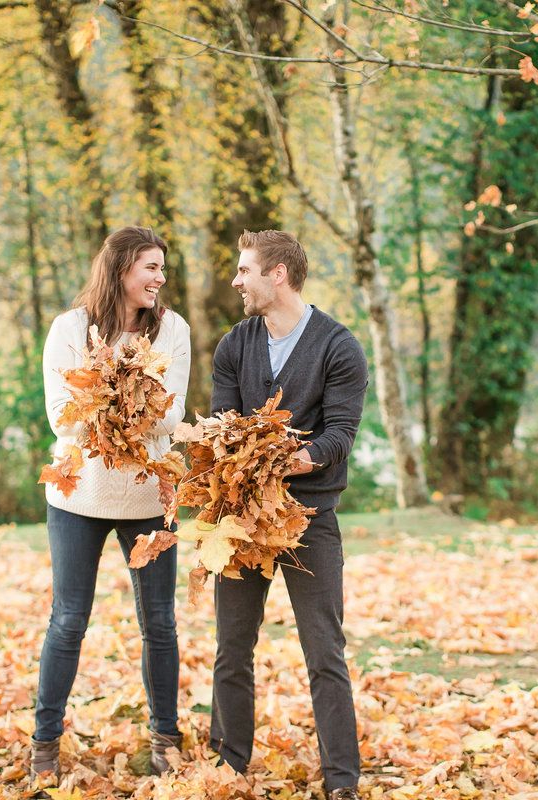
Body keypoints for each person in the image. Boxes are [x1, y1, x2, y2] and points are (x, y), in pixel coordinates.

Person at [209, 230, 367, 800]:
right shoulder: (235, 344)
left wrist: (288, 460)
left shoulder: (339, 347)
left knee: (325, 650)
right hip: (244, 519)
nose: (235, 281)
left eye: (245, 270)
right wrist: (244, 467)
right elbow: (222, 430)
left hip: (310, 518)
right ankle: (227, 769)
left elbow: (340, 435)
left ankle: (342, 782)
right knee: (232, 647)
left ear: (278, 275)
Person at [31, 226, 190, 782]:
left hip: (150, 495)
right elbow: (62, 417)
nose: (159, 278)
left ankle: (166, 740)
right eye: (151, 266)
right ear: (121, 266)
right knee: (69, 621)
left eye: (162, 268)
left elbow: (170, 419)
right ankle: (44, 746)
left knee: (160, 624)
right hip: (81, 496)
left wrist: (112, 395)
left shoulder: (172, 330)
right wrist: (128, 393)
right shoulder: (69, 329)